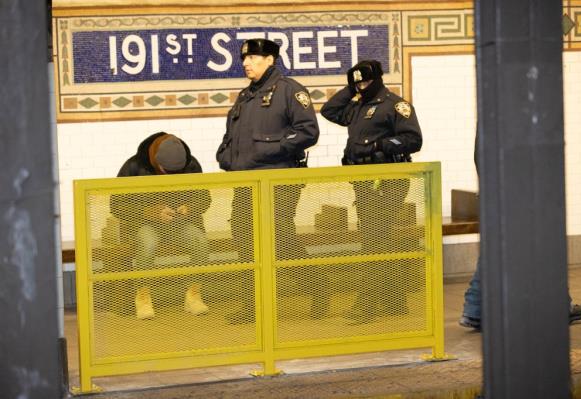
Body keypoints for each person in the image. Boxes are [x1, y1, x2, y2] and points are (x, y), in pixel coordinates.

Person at [216, 38, 322, 324]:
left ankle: (317, 289)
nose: (246, 64)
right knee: (245, 241)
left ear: (270, 60)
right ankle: (254, 305)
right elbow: (231, 136)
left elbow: (308, 132)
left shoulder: (289, 91)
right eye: (244, 59)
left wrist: (268, 151)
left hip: (278, 179)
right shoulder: (245, 96)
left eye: (253, 58)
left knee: (280, 239)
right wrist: (226, 156)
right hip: (247, 181)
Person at [321, 59, 423, 324]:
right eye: (357, 83)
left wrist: (380, 144)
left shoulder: (395, 106)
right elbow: (329, 111)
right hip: (365, 183)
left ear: (377, 79)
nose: (361, 86)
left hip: (387, 181)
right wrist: (349, 88)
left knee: (374, 244)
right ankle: (394, 301)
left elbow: (414, 140)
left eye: (365, 81)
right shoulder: (357, 105)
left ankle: (364, 305)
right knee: (379, 242)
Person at [459, 129, 581, 330]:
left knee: (494, 250)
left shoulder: (491, 111)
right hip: (521, 189)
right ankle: (559, 306)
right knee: (547, 245)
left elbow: (482, 155)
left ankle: (475, 310)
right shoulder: (521, 113)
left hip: (495, 189)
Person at [110, 132, 212, 319]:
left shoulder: (191, 165)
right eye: (167, 173)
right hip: (144, 226)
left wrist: (190, 207)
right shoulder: (133, 166)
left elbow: (204, 198)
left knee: (200, 241)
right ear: (156, 162)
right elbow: (116, 205)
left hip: (180, 224)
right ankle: (143, 298)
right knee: (148, 242)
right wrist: (146, 212)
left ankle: (193, 296)